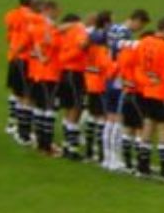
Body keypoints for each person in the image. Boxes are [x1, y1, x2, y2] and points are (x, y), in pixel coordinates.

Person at [135, 17, 164, 181]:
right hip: (161, 93)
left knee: (148, 126)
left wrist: (146, 82)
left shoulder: (144, 42)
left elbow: (138, 67)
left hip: (147, 92)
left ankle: (142, 167)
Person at [101, 10, 148, 172]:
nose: (139, 29)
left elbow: (106, 43)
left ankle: (107, 158)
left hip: (108, 76)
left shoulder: (113, 28)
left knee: (109, 120)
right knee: (117, 120)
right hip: (119, 79)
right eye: (141, 25)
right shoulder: (125, 34)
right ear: (136, 20)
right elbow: (120, 49)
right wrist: (137, 45)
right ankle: (114, 159)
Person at [24, 0, 62, 155]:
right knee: (49, 109)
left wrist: (39, 57)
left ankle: (40, 142)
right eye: (56, 11)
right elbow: (45, 45)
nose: (57, 14)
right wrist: (42, 57)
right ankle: (46, 146)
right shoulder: (48, 28)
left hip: (37, 73)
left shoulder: (35, 26)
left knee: (40, 108)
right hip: (49, 74)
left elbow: (34, 45)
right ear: (49, 9)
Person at [54, 11, 90, 160]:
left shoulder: (63, 34)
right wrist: (88, 42)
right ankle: (72, 149)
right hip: (75, 74)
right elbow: (81, 45)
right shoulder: (78, 30)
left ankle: (67, 146)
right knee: (76, 109)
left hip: (64, 73)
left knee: (69, 109)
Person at [80, 12, 115, 162]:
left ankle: (89, 151)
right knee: (102, 118)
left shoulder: (90, 43)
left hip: (89, 82)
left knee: (93, 116)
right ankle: (101, 154)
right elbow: (107, 67)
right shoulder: (103, 48)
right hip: (100, 85)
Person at [3, 0, 37, 140]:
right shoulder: (31, 17)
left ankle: (12, 122)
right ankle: (22, 129)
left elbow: (9, 32)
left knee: (16, 91)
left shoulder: (12, 14)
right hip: (25, 58)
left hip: (13, 56)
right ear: (30, 2)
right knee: (26, 94)